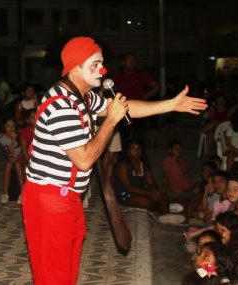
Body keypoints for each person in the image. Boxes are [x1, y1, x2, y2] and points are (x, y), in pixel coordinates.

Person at [22, 36, 207, 284]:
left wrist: (170, 105)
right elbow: (85, 160)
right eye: (95, 64)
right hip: (49, 200)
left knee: (66, 270)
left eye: (102, 63)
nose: (103, 70)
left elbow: (125, 107)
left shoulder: (81, 96)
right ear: (76, 67)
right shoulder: (61, 107)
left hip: (66, 198)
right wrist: (110, 121)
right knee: (53, 275)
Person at [110, 52, 161, 152]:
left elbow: (157, 86)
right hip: (123, 111)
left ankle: (141, 162)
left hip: (139, 111)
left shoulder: (141, 74)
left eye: (134, 61)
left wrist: (145, 96)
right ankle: (125, 161)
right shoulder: (117, 76)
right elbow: (107, 89)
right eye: (130, 61)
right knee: (124, 139)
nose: (132, 63)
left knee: (140, 138)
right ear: (124, 62)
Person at [114, 141, 170, 214]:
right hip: (125, 193)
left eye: (138, 149)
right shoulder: (123, 165)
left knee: (164, 197)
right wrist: (150, 193)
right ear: (127, 151)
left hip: (140, 190)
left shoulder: (142, 163)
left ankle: (166, 215)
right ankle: (162, 212)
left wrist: (155, 191)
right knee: (145, 202)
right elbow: (129, 188)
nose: (136, 151)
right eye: (133, 149)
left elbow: (151, 181)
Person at [0, 118, 24, 204]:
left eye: (13, 126)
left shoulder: (21, 134)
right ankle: (5, 193)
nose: (10, 129)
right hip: (11, 157)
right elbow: (10, 153)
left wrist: (18, 157)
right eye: (8, 126)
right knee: (9, 164)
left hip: (22, 156)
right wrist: (12, 139)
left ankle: (23, 193)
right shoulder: (2, 137)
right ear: (4, 127)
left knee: (17, 165)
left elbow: (24, 151)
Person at [162, 140, 197, 206]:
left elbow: (186, 175)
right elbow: (165, 176)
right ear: (170, 150)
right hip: (176, 192)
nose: (178, 150)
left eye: (180, 149)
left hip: (188, 188)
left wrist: (193, 185)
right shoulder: (168, 160)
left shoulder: (182, 161)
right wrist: (163, 193)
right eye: (176, 148)